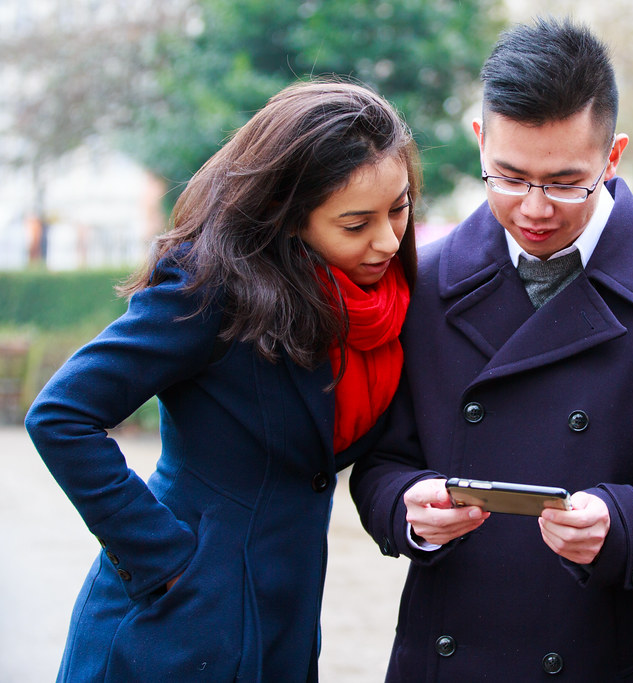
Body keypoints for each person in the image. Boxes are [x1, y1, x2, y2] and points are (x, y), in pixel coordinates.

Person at [350, 17, 633, 681]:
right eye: (508, 175)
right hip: (445, 652)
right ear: (480, 141)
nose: (533, 208)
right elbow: (381, 462)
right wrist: (405, 507)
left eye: (564, 181)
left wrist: (622, 521)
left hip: (596, 651)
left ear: (612, 158)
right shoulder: (422, 281)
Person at [24, 80, 418, 682]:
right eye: (356, 222)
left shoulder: (387, 306)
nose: (388, 239)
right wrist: (165, 561)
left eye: (399, 207)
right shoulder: (211, 289)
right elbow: (61, 415)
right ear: (289, 219)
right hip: (176, 630)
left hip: (283, 627)